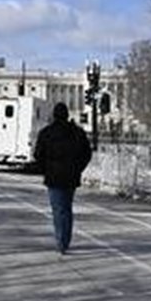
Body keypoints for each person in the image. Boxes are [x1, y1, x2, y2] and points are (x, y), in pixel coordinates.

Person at [33, 102, 92, 256]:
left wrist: (45, 170)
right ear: (67, 115)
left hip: (53, 177)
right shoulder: (77, 132)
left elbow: (38, 155)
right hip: (71, 176)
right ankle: (65, 239)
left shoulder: (46, 132)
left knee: (58, 210)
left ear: (54, 115)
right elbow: (87, 153)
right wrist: (78, 168)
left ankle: (61, 241)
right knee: (67, 208)